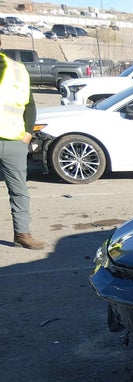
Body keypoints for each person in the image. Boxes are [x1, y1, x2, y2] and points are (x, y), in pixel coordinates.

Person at [0, 45, 43, 249]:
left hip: (13, 142)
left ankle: (22, 234)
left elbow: (30, 104)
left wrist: (28, 133)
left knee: (19, 191)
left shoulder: (18, 69)